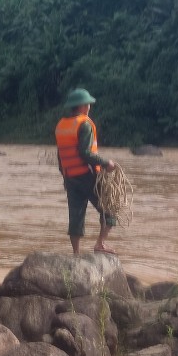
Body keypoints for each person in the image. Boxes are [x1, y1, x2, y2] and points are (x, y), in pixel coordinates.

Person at [55, 88, 118, 255]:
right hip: (88, 176)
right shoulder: (84, 124)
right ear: (82, 106)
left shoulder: (61, 125)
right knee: (110, 209)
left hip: (70, 177)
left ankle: (76, 253)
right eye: (88, 104)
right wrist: (106, 163)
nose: (90, 106)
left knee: (75, 216)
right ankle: (100, 244)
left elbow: (60, 156)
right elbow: (86, 153)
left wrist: (65, 176)